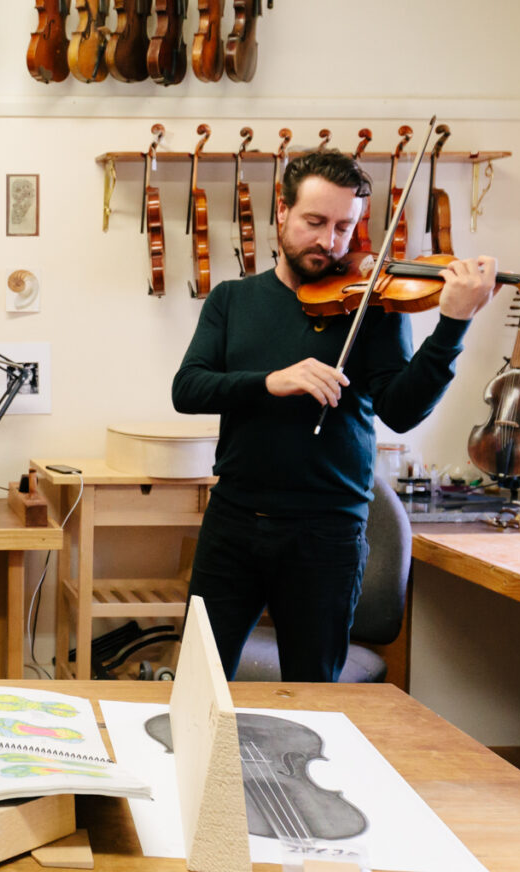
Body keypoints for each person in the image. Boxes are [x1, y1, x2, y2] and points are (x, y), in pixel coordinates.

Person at [172, 147, 496, 681]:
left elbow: (402, 411)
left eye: (345, 226)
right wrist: (273, 382)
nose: (330, 241)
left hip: (327, 534)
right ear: (282, 212)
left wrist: (453, 327)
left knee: (315, 695)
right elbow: (189, 388)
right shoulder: (232, 300)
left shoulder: (374, 305)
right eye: (315, 222)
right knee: (199, 680)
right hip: (233, 523)